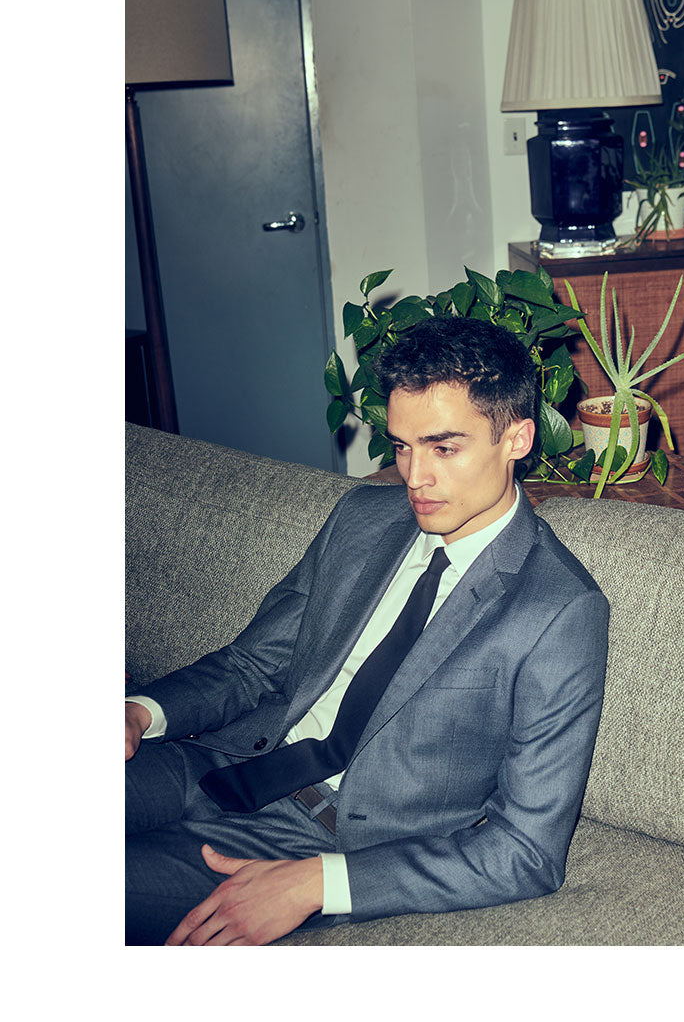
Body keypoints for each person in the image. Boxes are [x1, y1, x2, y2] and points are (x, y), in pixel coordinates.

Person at [125, 316, 609, 945]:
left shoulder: (559, 611)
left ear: (516, 438)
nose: (414, 477)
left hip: (317, 837)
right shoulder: (361, 518)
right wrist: (142, 711)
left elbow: (526, 851)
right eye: (403, 445)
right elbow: (252, 665)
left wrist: (316, 883)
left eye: (444, 447)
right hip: (206, 760)